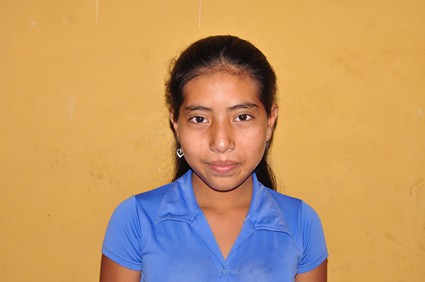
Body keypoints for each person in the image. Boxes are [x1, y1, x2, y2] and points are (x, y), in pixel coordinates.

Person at [100, 35, 328, 282]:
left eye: (242, 117)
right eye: (199, 119)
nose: (221, 142)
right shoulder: (136, 219)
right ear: (176, 123)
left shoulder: (301, 223)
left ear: (270, 121)